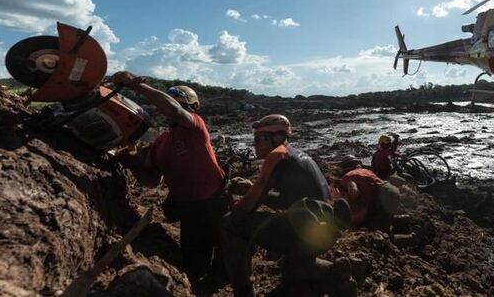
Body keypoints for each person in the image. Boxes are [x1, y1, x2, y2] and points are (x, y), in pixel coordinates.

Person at [111, 72, 227, 284]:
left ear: (193, 108)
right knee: (194, 263)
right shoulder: (161, 142)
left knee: (225, 261)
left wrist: (137, 86)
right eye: (176, 104)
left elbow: (173, 109)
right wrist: (128, 159)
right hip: (189, 207)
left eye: (184, 105)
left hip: (213, 203)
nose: (175, 110)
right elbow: (151, 181)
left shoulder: (195, 126)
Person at [220, 114, 354, 297]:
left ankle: (243, 292)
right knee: (293, 270)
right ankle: (334, 275)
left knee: (230, 223)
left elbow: (249, 205)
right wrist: (254, 191)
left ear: (274, 138)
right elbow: (285, 200)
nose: (255, 144)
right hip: (322, 230)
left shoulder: (276, 156)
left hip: (304, 231)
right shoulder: (295, 153)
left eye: (259, 139)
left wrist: (237, 205)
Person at [333, 155, 400, 230]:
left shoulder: (347, 177)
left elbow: (354, 190)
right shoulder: (365, 171)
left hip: (384, 195)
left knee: (377, 230)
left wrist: (350, 203)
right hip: (391, 189)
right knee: (384, 222)